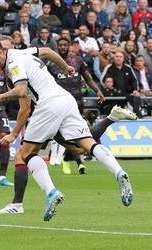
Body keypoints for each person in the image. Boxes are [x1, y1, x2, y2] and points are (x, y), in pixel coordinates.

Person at [0, 39, 134, 221]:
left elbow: (21, 91)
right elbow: (48, 51)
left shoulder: (13, 63)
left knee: (24, 153)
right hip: (65, 99)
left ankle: (48, 193)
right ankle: (119, 172)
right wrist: (65, 66)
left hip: (48, 104)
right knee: (85, 144)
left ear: (1, 52)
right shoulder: (24, 53)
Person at [47, 37, 105, 174]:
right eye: (60, 45)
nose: (62, 47)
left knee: (77, 133)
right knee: (65, 134)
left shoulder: (78, 61)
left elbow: (88, 78)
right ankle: (74, 160)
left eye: (64, 45)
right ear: (57, 47)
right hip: (59, 104)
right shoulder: (51, 65)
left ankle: (68, 159)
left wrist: (98, 90)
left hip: (77, 103)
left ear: (69, 46)